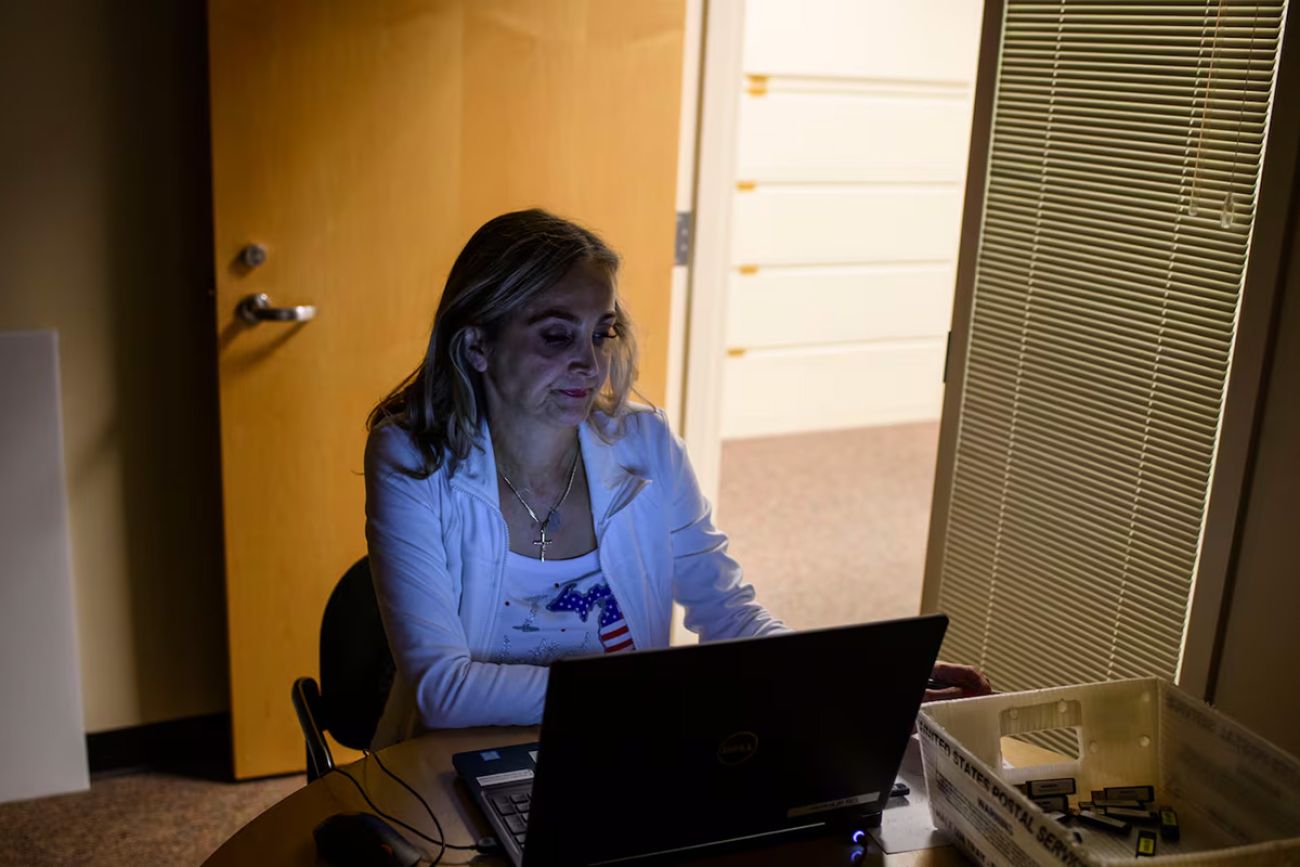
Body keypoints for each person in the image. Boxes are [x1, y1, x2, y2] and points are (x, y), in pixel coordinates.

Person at [364, 209, 989, 749]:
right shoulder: (411, 458)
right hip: (447, 769)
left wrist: (854, 682)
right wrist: (655, 695)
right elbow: (444, 691)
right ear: (476, 346)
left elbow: (729, 614)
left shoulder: (645, 444)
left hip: (622, 751)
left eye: (602, 332)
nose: (589, 362)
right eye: (557, 335)